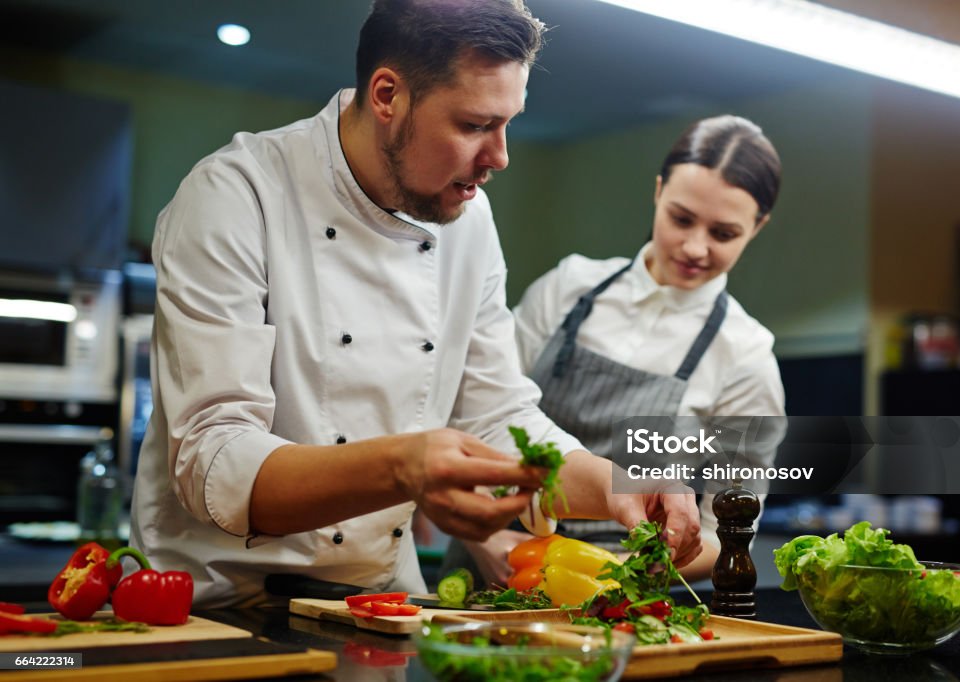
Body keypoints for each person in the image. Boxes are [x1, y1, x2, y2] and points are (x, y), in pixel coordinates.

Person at [130, 0, 702, 609]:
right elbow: (213, 460)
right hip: (213, 606)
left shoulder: (468, 218)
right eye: (475, 124)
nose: (500, 156)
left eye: (508, 122)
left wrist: (621, 484)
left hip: (378, 605)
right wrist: (405, 467)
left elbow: (498, 417)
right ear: (387, 96)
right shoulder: (236, 195)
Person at [449, 114, 785, 586]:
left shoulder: (746, 360)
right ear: (657, 191)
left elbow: (726, 535)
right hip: (488, 563)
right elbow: (474, 416)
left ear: (758, 226)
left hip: (617, 595)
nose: (694, 247)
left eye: (723, 234)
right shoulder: (567, 289)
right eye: (681, 218)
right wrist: (482, 540)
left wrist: (616, 574)